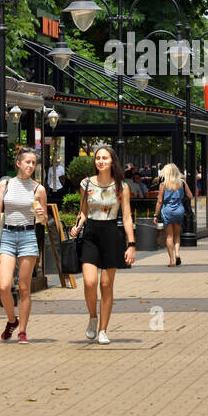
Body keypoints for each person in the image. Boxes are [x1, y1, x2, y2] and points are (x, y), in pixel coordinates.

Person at [69, 146, 136, 344]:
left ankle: (103, 330)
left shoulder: (121, 186)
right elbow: (83, 211)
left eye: (105, 158)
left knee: (106, 285)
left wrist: (131, 244)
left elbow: (126, 216)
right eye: (98, 158)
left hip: (111, 235)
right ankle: (92, 316)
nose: (100, 161)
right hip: (90, 234)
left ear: (112, 161)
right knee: (89, 282)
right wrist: (76, 226)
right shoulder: (86, 183)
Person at [0, 148, 49, 343]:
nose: (31, 166)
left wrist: (41, 215)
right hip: (8, 235)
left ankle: (22, 330)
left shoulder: (38, 189)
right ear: (18, 163)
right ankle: (11, 320)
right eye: (27, 162)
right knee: (4, 286)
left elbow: (43, 220)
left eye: (34, 163)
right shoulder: (5, 184)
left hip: (27, 236)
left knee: (24, 288)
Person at [153, 163, 193, 266]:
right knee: (177, 235)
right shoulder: (182, 183)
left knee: (169, 236)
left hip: (167, 210)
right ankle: (178, 254)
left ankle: (171, 260)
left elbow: (159, 201)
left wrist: (155, 215)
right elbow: (190, 195)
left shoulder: (163, 184)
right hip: (179, 210)